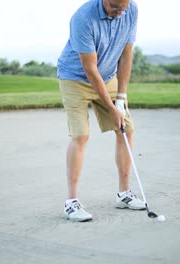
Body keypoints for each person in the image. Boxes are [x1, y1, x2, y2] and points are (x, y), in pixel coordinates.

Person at [57, 0, 146, 222]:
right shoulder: (82, 18)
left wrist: (121, 99)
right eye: (115, 7)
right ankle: (71, 203)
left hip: (108, 77)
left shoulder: (130, 10)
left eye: (123, 7)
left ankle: (124, 193)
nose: (120, 12)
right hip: (75, 77)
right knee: (81, 136)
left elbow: (126, 55)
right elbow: (90, 69)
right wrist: (110, 106)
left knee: (126, 129)